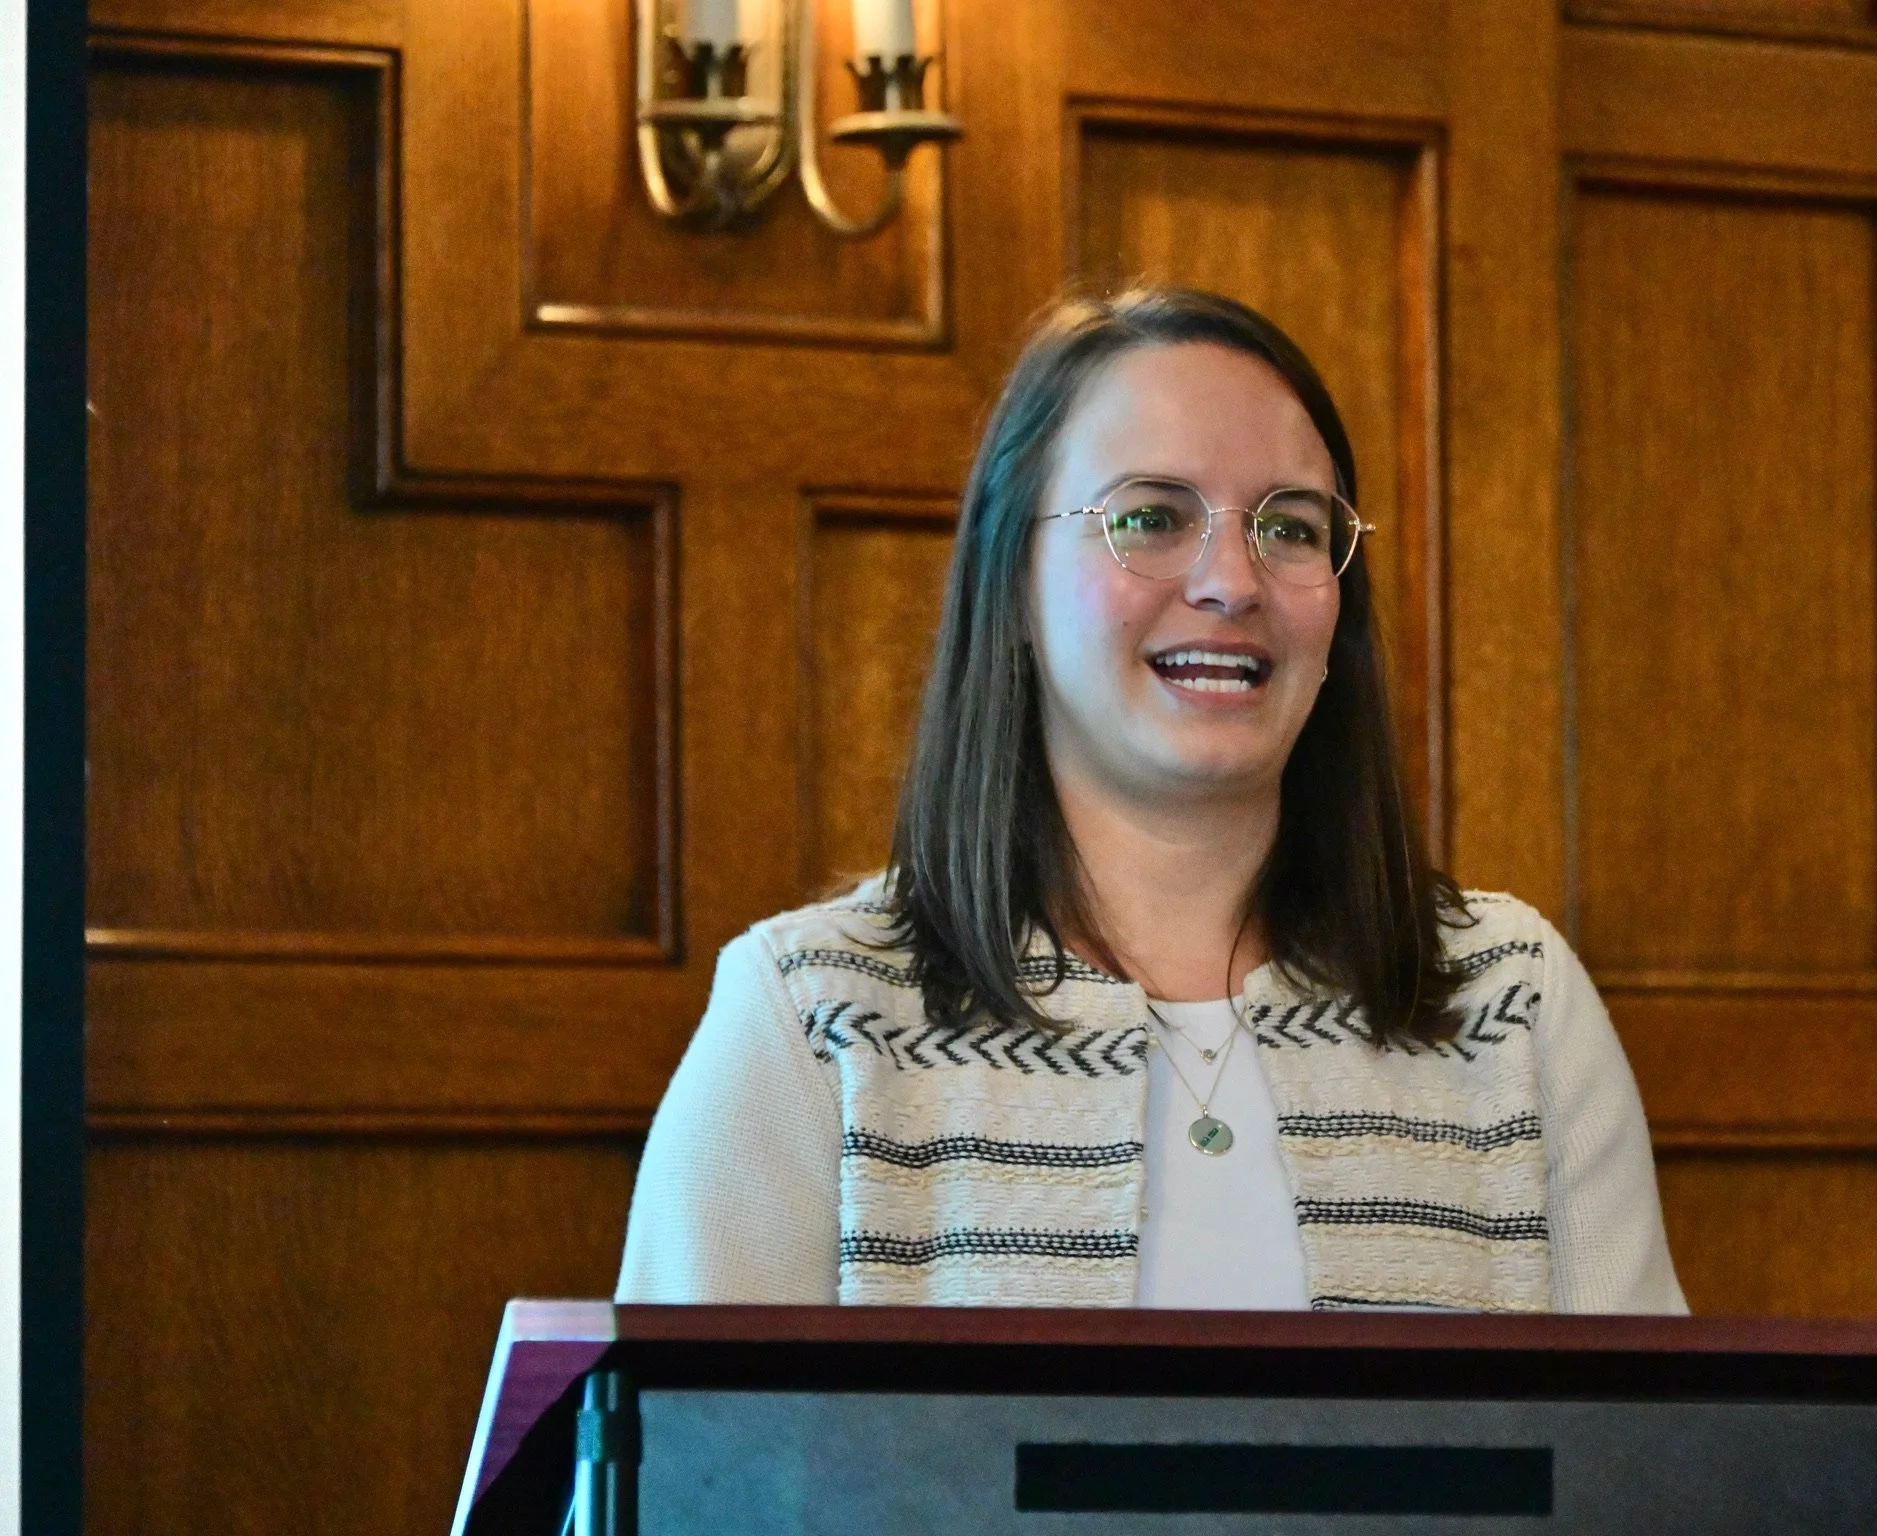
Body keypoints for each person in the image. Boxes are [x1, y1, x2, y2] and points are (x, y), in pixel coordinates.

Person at [618, 288, 1685, 1314]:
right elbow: (681, 1483)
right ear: (1014, 587)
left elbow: (1643, 1476)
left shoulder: (1512, 1003)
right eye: (1151, 518)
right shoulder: (814, 1020)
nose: (1232, 581)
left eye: (1293, 527)